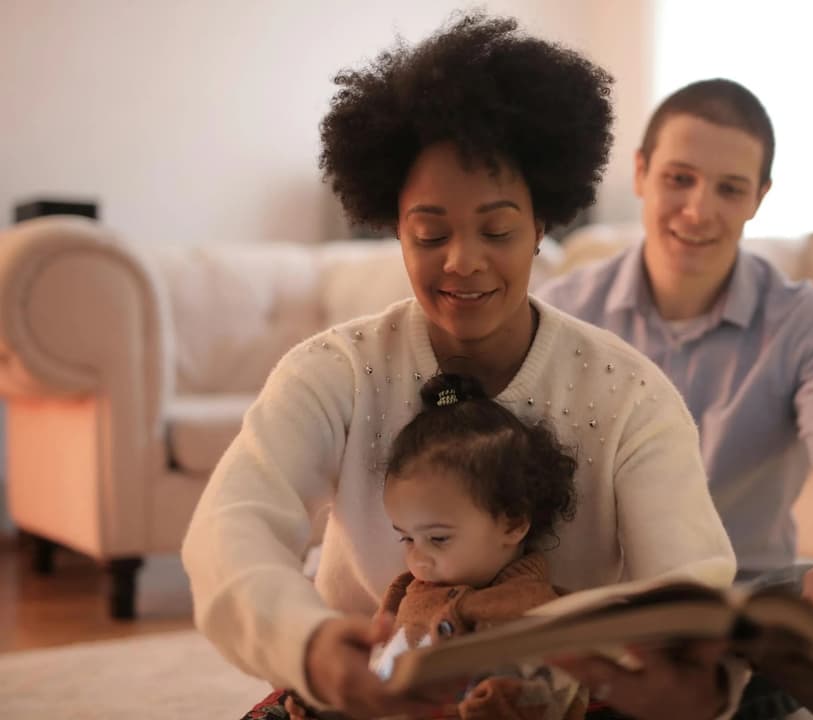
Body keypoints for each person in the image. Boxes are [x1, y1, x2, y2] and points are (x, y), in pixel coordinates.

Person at [182, 15, 738, 720]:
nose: (463, 261)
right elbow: (231, 525)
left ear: (543, 226)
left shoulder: (629, 396)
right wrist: (315, 646)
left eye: (498, 230)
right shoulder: (335, 372)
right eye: (430, 233)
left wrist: (684, 681)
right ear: (394, 228)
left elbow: (689, 581)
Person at [537, 79, 813, 718]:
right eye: (679, 178)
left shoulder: (808, 324)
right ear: (641, 172)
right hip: (595, 614)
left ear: (759, 199)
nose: (699, 210)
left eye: (730, 188)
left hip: (734, 621)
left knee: (792, 625)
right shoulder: (561, 314)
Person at [257, 372, 588, 720]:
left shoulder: (535, 608)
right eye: (406, 538)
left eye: (438, 538)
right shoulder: (408, 592)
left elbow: (548, 693)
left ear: (514, 523)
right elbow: (379, 666)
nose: (417, 558)